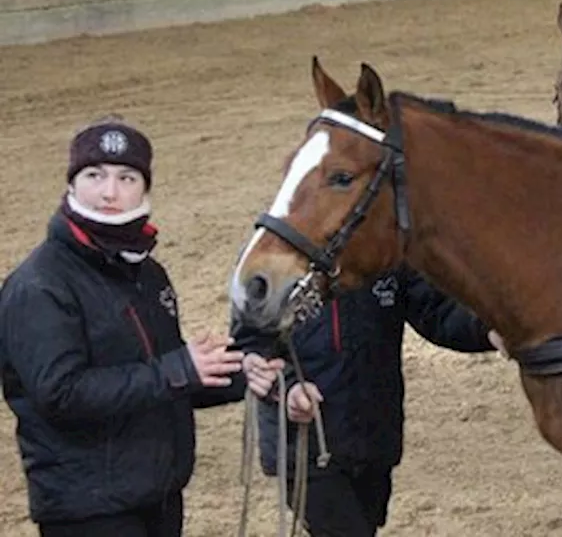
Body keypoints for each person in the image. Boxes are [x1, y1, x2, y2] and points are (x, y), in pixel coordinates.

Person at [0, 116, 275, 537]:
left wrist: (237, 375)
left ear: (144, 189)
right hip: (88, 507)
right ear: (72, 184)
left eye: (127, 178)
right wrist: (178, 369)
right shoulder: (39, 285)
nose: (110, 192)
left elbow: (159, 375)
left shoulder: (147, 274)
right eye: (94, 175)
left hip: (156, 493)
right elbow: (60, 393)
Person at [238, 266, 499, 537]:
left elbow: (437, 312)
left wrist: (489, 330)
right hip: (306, 442)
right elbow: (251, 342)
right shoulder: (279, 255)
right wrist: (288, 387)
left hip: (374, 436)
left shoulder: (386, 253)